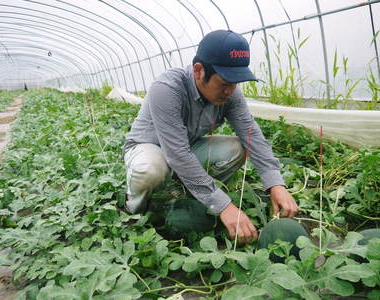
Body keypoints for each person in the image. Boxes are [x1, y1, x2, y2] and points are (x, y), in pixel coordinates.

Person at [124, 29, 299, 243]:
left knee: (237, 148)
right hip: (149, 147)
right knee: (151, 169)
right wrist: (224, 206)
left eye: (236, 83)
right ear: (198, 71)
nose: (230, 90)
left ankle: (190, 194)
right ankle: (136, 212)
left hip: (188, 147)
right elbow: (177, 154)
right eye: (225, 83)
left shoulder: (231, 93)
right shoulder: (167, 88)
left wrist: (276, 184)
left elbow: (251, 135)